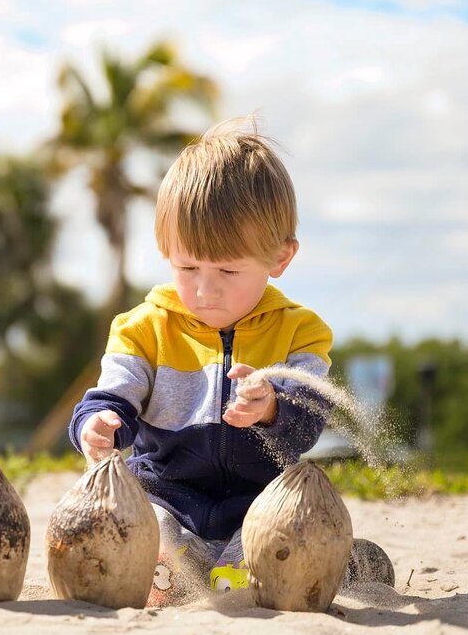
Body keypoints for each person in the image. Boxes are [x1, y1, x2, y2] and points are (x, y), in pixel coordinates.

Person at [68, 117, 387, 606]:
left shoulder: (301, 331)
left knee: (283, 548)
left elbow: (306, 424)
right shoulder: (142, 327)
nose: (204, 289)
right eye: (188, 266)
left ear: (280, 258)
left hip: (257, 507)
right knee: (142, 527)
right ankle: (177, 577)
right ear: (165, 249)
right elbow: (111, 396)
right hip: (166, 499)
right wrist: (100, 423)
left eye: (228, 270)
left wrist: (272, 408)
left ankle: (311, 568)